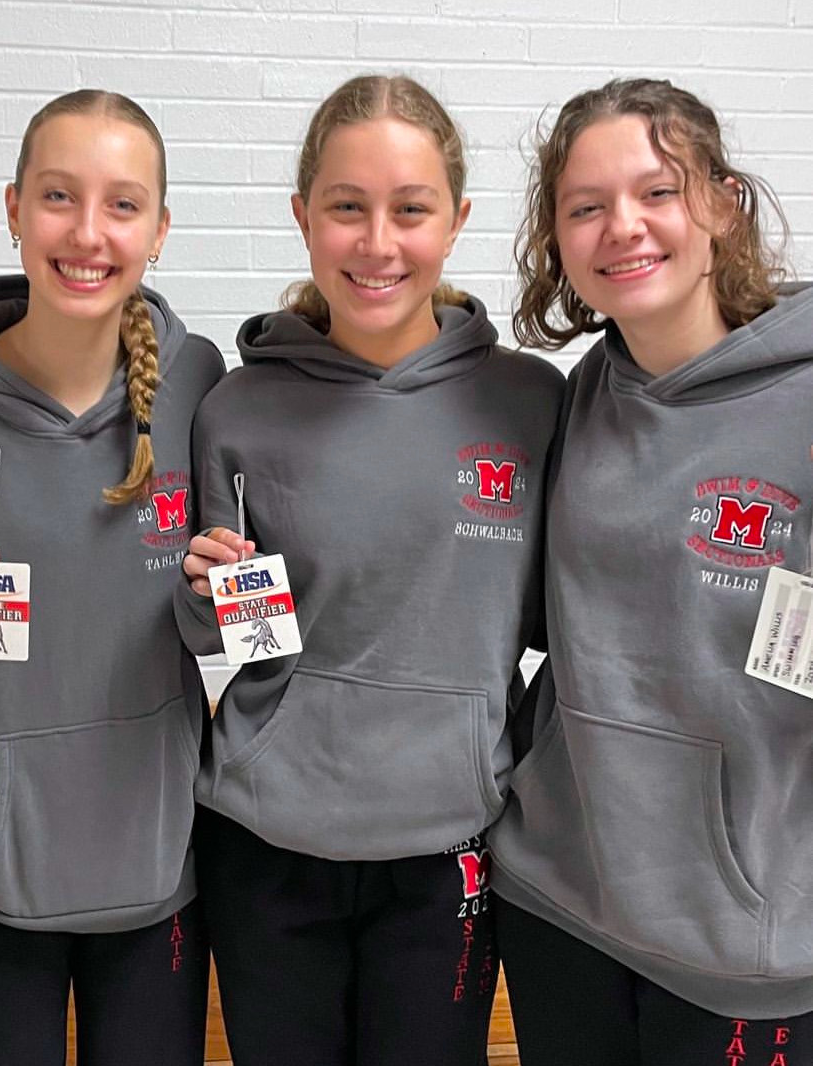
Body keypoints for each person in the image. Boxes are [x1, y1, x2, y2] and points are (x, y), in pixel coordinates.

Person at [175, 74, 564, 1066]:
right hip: (265, 843)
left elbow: (570, 617)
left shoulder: (528, 403)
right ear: (304, 216)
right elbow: (231, 642)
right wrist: (201, 599)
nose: (378, 242)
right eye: (347, 207)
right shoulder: (236, 408)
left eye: (410, 210)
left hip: (449, 848)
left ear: (458, 220)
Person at [0, 89, 221, 1066]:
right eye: (60, 196)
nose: (89, 232)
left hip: (159, 872)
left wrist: (221, 594)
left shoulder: (200, 384)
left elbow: (227, 622)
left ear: (159, 228)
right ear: (14, 206)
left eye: (122, 203)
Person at [491, 77, 813, 1065]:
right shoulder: (583, 393)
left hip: (742, 940)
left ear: (722, 203)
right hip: (557, 903)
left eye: (656, 192)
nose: (621, 227)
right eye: (586, 207)